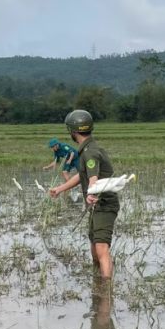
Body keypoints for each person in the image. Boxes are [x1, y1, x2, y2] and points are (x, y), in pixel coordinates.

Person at [49, 110, 118, 278]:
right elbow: (82, 175)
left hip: (103, 204)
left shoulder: (90, 152)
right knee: (94, 245)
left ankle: (106, 288)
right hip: (95, 205)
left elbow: (92, 176)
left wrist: (91, 192)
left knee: (101, 247)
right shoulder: (88, 148)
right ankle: (98, 279)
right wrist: (60, 189)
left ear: (73, 131)